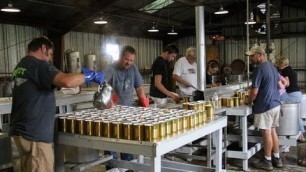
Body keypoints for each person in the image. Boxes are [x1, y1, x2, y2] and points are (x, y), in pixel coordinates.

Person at [9, 36, 105, 172]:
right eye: (51, 54)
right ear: (43, 48)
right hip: (35, 137)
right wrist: (90, 76)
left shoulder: (21, 66)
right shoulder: (39, 65)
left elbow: (54, 84)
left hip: (21, 134)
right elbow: (66, 81)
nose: (50, 59)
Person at [105, 45, 148, 161]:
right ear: (120, 57)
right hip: (111, 114)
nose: (129, 63)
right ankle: (112, 167)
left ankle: (128, 166)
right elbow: (103, 87)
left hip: (128, 113)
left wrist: (145, 107)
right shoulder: (110, 69)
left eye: (131, 60)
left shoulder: (133, 68)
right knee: (111, 143)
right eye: (126, 59)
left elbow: (139, 88)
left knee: (127, 142)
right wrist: (109, 102)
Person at [245, 46, 283, 170]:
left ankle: (267, 161)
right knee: (272, 131)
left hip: (265, 105)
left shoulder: (259, 69)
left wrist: (248, 100)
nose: (250, 58)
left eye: (252, 55)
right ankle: (277, 158)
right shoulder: (273, 67)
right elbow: (279, 85)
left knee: (266, 132)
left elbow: (254, 92)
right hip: (276, 103)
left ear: (260, 55)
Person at [276, 57, 305, 142]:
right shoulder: (291, 69)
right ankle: (301, 135)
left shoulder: (285, 70)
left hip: (292, 95)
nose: (277, 65)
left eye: (278, 63)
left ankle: (292, 133)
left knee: (277, 98)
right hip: (297, 94)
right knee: (296, 115)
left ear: (281, 63)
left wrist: (279, 86)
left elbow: (287, 83)